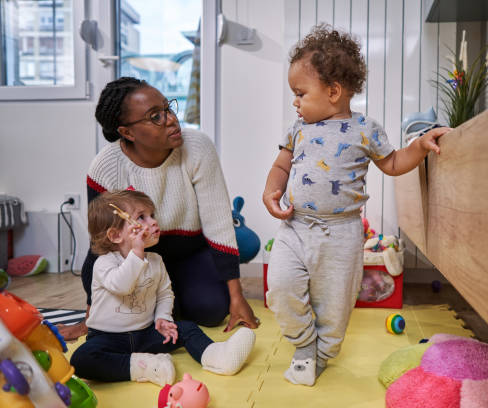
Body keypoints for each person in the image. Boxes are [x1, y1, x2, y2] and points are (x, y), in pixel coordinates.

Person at [262, 25, 451, 386]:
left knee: (335, 303)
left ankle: (321, 353)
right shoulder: (297, 130)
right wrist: (272, 190)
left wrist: (421, 145)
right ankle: (303, 345)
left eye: (300, 93)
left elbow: (393, 163)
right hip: (296, 226)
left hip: (342, 234)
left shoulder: (366, 129)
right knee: (281, 285)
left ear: (333, 91)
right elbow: (282, 165)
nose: (295, 102)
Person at [59, 77, 259, 341]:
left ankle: (165, 303)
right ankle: (162, 304)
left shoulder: (198, 148)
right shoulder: (105, 167)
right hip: (138, 258)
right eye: (155, 117)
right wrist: (91, 317)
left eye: (168, 108)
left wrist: (237, 296)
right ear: (127, 133)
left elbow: (219, 223)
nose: (171, 119)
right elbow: (102, 243)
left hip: (190, 253)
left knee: (211, 310)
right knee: (118, 303)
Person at [70, 190, 255, 385]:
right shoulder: (104, 263)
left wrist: (163, 318)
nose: (153, 222)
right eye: (141, 217)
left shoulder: (156, 261)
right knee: (81, 360)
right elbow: (121, 285)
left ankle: (217, 356)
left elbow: (165, 294)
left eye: (152, 215)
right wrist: (137, 252)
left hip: (145, 333)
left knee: (187, 329)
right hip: (108, 339)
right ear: (115, 235)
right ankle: (146, 366)